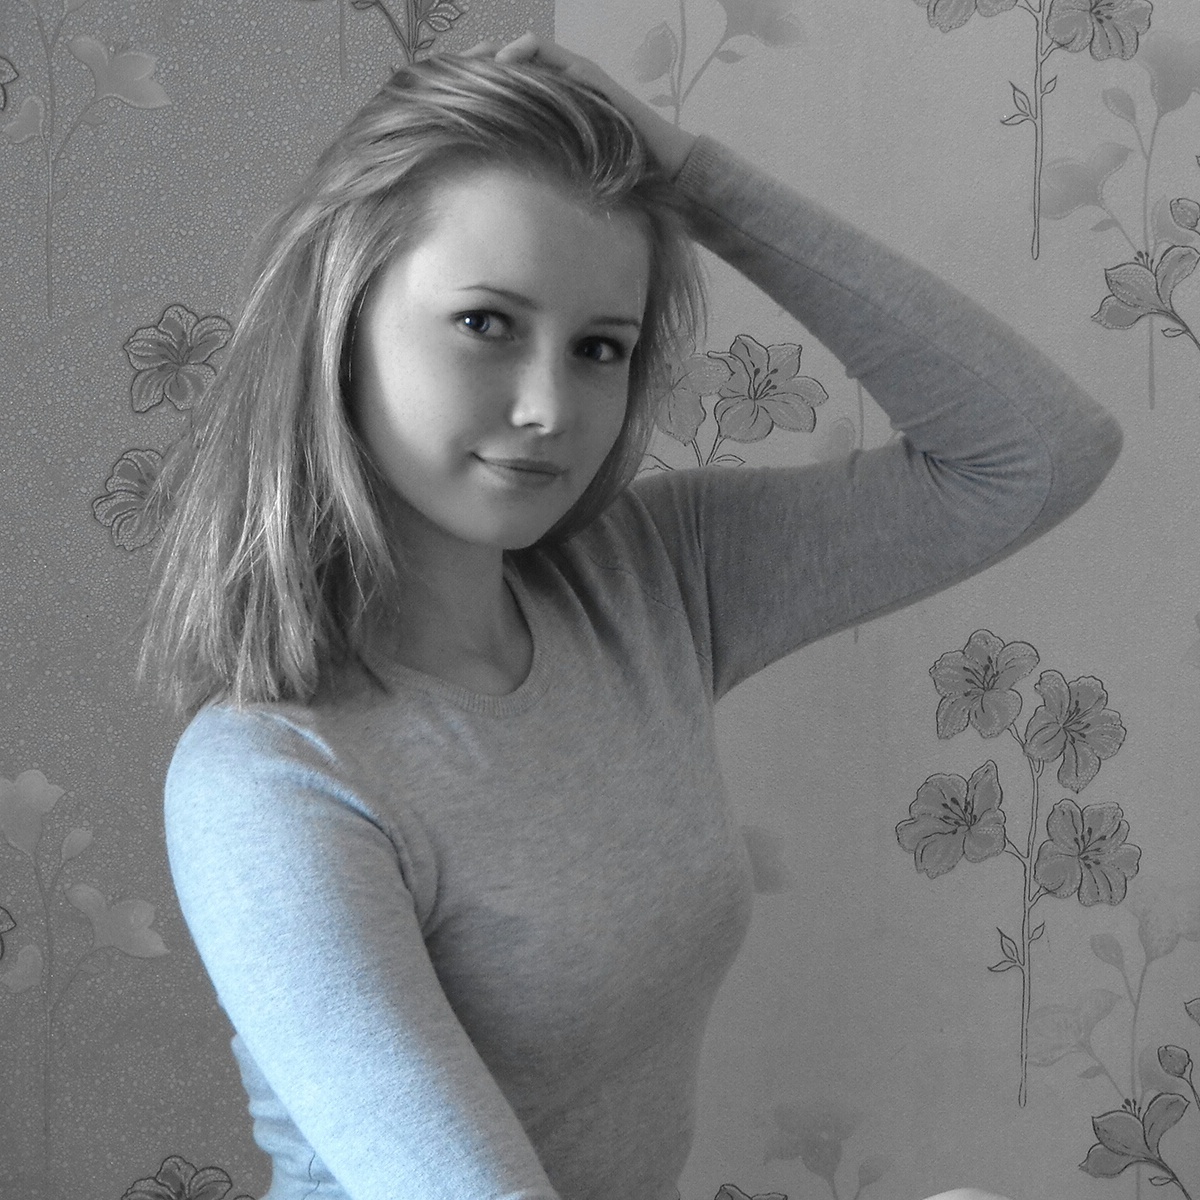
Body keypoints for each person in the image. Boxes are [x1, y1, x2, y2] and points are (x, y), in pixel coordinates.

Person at [146, 32, 1122, 1200]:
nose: (550, 407)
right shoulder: (269, 780)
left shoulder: (646, 579)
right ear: (339, 321)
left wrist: (698, 183)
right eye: (485, 323)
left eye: (600, 347)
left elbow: (1037, 454)